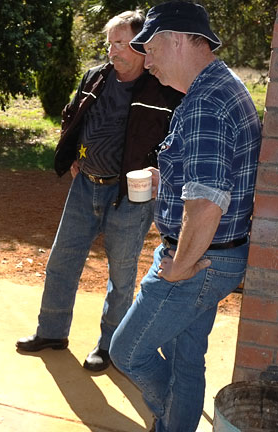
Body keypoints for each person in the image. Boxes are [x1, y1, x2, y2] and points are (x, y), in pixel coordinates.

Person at [109, 2, 262, 431]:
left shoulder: (205, 103)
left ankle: (170, 421)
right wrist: (169, 180)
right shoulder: (216, 88)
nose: (146, 59)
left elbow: (208, 201)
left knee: (127, 351)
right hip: (215, 254)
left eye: (150, 47)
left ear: (177, 38)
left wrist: (179, 267)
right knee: (186, 359)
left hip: (199, 260)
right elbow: (211, 177)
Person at [16, 10, 182, 372]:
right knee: (62, 261)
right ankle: (52, 331)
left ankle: (110, 345)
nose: (113, 50)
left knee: (121, 274)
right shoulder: (96, 77)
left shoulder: (162, 88)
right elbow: (72, 113)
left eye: (121, 43)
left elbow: (175, 139)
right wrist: (73, 151)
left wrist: (157, 170)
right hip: (85, 185)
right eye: (110, 42)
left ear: (142, 46)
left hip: (129, 196)